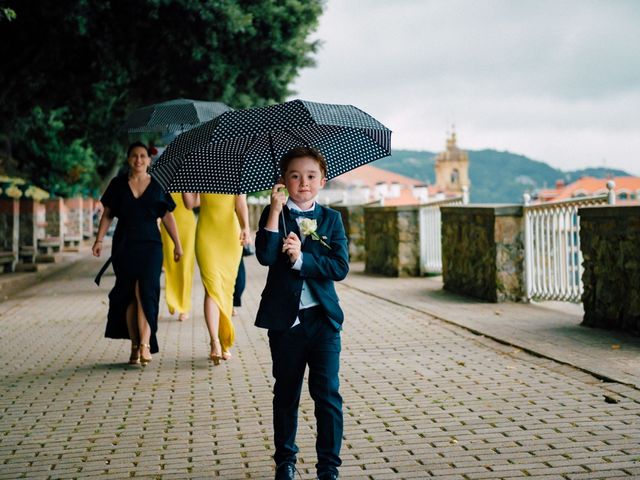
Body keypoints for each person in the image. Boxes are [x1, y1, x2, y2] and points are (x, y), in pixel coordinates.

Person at [254, 147, 349, 480]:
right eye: (295, 175)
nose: (303, 182)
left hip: (323, 321)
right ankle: (286, 461)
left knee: (327, 395)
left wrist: (301, 259)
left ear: (322, 180)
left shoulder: (331, 220)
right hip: (286, 323)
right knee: (286, 393)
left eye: (310, 176)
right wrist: (274, 211)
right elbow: (265, 256)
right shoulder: (274, 213)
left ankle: (328, 468)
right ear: (283, 181)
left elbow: (339, 267)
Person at [93, 142, 183, 366]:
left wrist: (177, 244)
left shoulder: (158, 184)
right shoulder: (117, 185)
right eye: (134, 156)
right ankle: (135, 344)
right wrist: (98, 240)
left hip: (151, 246)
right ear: (128, 159)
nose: (139, 160)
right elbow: (107, 214)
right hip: (124, 246)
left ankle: (145, 344)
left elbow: (168, 216)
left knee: (146, 293)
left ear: (149, 160)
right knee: (129, 295)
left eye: (143, 156)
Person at [182, 192, 250, 364]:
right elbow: (190, 204)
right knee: (211, 288)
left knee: (226, 288)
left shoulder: (235, 171)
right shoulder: (201, 171)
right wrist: (187, 186)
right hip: (207, 235)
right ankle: (215, 342)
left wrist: (246, 227)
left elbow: (240, 202)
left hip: (230, 237)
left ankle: (225, 341)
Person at [160, 192, 196, 321]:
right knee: (170, 265)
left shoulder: (190, 178)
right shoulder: (165, 178)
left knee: (185, 267)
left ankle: (184, 306)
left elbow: (193, 204)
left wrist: (186, 191)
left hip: (187, 225)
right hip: (167, 224)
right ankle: (172, 299)